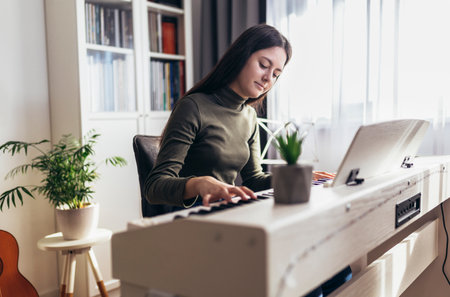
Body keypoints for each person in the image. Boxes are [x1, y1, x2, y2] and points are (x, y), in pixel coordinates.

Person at [144, 23, 351, 297]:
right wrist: (199, 184)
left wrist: (299, 175)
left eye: (276, 73)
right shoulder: (194, 107)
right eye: (264, 65)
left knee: (337, 270)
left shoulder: (249, 116)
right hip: (198, 229)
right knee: (306, 285)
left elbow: (254, 180)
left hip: (233, 222)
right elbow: (155, 186)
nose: (268, 79)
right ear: (241, 56)